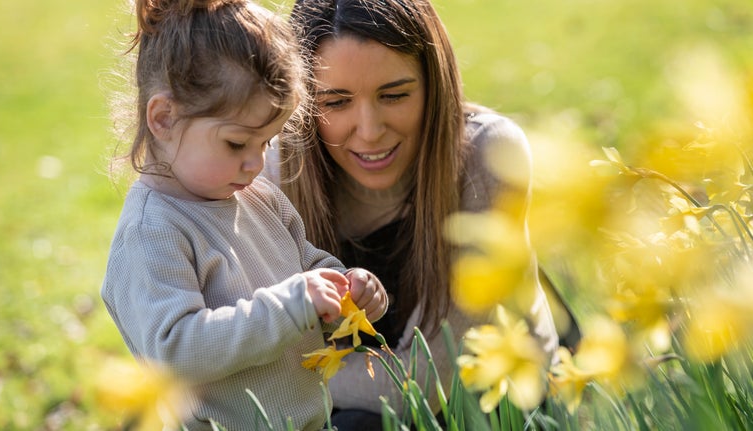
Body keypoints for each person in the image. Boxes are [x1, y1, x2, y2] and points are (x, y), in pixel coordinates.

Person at [263, 0, 566, 428]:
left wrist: (272, 385)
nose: (369, 130)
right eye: (336, 102)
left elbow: (417, 388)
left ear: (434, 83)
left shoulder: (489, 153)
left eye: (395, 95)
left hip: (490, 408)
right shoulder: (273, 173)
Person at [100, 1, 387, 430]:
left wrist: (346, 293)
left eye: (267, 143)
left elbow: (305, 270)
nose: (255, 163)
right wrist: (293, 306)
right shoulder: (153, 231)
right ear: (163, 118)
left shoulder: (258, 197)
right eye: (237, 144)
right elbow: (175, 352)